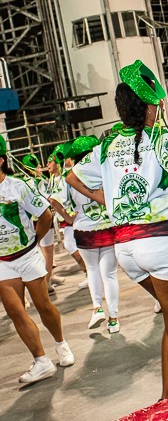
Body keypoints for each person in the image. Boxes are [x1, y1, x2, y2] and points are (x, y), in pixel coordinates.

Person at [66, 60, 168, 399]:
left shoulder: (108, 144)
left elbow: (72, 177)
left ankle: (166, 402)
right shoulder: (159, 136)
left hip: (126, 248)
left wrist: (107, 199)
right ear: (150, 105)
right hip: (164, 242)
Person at [0, 135, 75, 384]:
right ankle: (41, 361)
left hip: (28, 254)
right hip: (3, 263)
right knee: (16, 312)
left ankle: (60, 343)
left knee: (43, 306)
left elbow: (44, 215)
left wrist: (34, 241)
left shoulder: (17, 186)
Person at [50, 136, 121, 334]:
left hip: (83, 229)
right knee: (109, 274)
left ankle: (97, 307)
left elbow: (53, 200)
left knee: (92, 270)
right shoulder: (103, 171)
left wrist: (68, 218)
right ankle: (113, 319)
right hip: (107, 226)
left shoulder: (71, 175)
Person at [20, 153, 66, 288]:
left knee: (40, 251)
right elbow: (47, 199)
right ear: (32, 168)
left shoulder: (23, 182)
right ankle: (46, 282)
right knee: (48, 250)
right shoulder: (38, 181)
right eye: (39, 167)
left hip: (31, 221)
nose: (41, 169)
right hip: (43, 218)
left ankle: (50, 276)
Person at [46, 144, 88, 289]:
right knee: (76, 246)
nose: (47, 165)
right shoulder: (53, 179)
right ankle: (90, 273)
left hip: (72, 217)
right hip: (66, 219)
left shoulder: (65, 177)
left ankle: (89, 272)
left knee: (71, 245)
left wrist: (67, 215)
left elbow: (56, 199)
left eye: (50, 161)